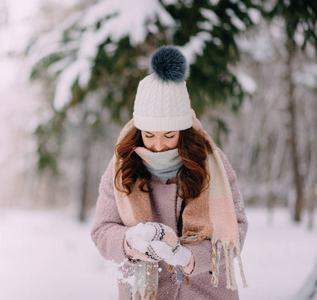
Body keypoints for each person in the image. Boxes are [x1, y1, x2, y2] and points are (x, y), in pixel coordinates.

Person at [90, 46, 248, 300]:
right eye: (149, 135)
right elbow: (102, 229)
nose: (159, 145)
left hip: (206, 293)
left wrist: (191, 257)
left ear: (183, 130)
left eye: (169, 135)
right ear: (138, 129)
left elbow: (235, 227)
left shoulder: (213, 165)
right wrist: (128, 242)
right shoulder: (122, 165)